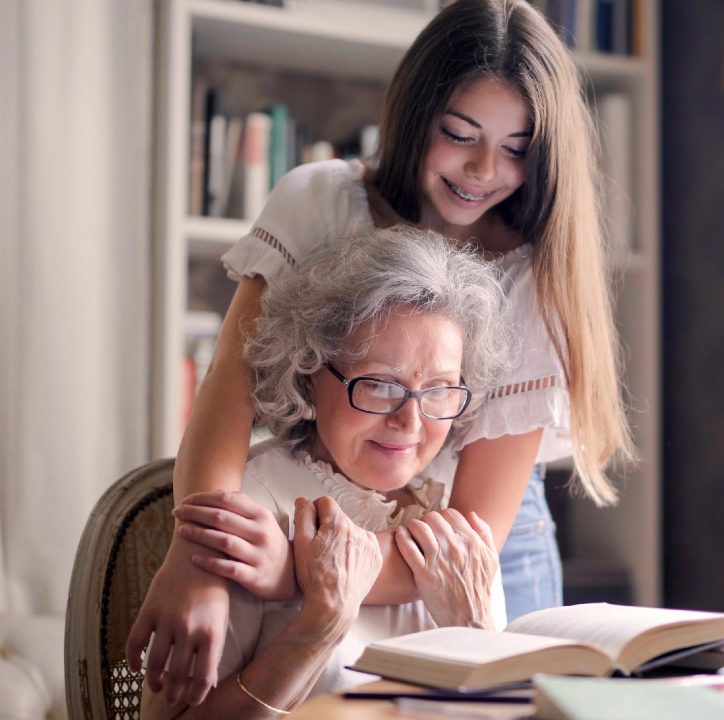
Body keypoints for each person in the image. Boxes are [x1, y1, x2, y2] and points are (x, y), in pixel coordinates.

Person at [128, 0, 637, 706]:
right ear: (414, 116)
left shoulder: (531, 278)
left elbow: (475, 531)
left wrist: (289, 574)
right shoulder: (321, 203)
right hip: (321, 503)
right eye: (459, 134)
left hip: (473, 543)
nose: (484, 169)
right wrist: (201, 557)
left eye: (518, 148)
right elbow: (228, 387)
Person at [140, 227, 511, 718]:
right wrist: (317, 631)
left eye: (441, 389)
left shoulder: (456, 535)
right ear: (310, 374)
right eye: (380, 385)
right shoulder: (249, 512)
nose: (411, 421)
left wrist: (476, 632)